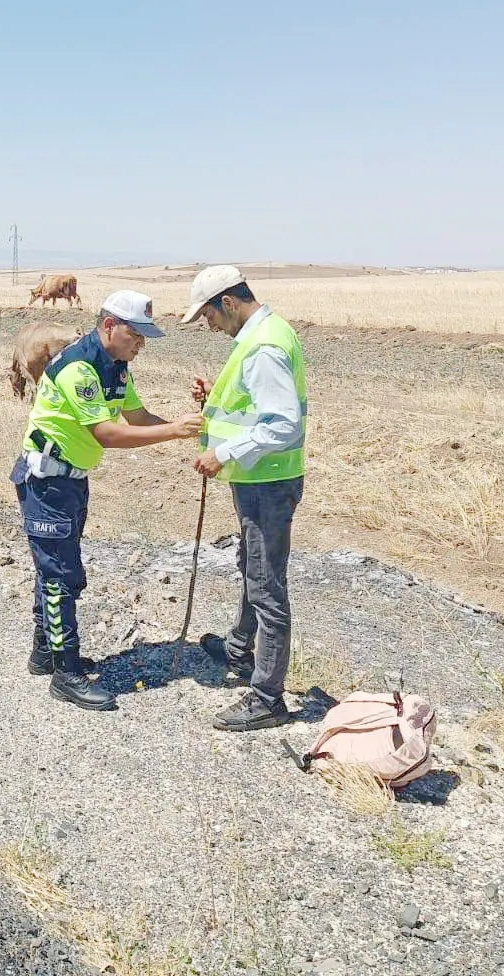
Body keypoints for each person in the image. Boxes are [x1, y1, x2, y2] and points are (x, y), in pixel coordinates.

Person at [11, 290, 202, 711]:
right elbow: (107, 434)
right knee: (61, 576)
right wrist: (174, 431)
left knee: (55, 569)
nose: (142, 344)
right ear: (110, 326)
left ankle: (45, 653)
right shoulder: (79, 368)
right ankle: (66, 674)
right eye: (136, 334)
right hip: (47, 482)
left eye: (145, 336)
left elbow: (137, 418)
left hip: (71, 481)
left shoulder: (115, 366)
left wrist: (184, 429)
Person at [181, 265, 308, 732]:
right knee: (252, 567)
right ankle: (239, 649)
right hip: (259, 480)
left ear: (229, 303)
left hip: (267, 484)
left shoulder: (263, 347)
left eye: (209, 315)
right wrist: (213, 397)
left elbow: (283, 424)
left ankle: (267, 697)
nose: (208, 325)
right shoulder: (261, 336)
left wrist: (223, 453)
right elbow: (254, 407)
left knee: (266, 584)